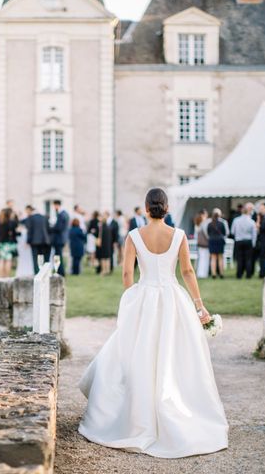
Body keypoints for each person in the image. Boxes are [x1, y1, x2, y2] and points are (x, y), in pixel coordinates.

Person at [79, 187, 228, 458]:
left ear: (146, 209)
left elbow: (127, 273)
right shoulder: (179, 235)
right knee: (174, 356)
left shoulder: (134, 236)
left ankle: (137, 413)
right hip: (173, 299)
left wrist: (132, 297)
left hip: (144, 298)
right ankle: (177, 407)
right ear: (167, 209)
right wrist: (199, 305)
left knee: (140, 354)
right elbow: (187, 271)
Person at [230, 205, 257, 279]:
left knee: (240, 258)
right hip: (248, 241)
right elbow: (254, 234)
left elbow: (232, 231)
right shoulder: (251, 221)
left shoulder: (236, 220)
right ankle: (248, 274)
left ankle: (239, 274)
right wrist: (253, 243)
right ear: (248, 212)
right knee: (248, 259)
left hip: (239, 241)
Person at [23, 205, 50, 275]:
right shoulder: (44, 217)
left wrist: (27, 241)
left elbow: (30, 231)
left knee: (36, 258)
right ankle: (44, 273)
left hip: (34, 241)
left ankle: (37, 273)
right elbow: (48, 229)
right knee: (43, 257)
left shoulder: (31, 218)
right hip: (44, 241)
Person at [0, 207, 18, 277]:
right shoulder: (10, 222)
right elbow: (15, 228)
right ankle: (6, 276)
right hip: (8, 243)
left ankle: (0, 275)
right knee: (8, 260)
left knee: (1, 260)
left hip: (1, 243)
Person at [50, 200, 69, 276]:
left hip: (59, 239)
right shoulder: (64, 214)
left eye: (54, 206)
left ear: (57, 205)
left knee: (58, 256)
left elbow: (59, 227)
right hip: (61, 238)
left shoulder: (61, 214)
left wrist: (50, 228)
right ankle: (59, 270)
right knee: (58, 255)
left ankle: (59, 271)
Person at [207, 208, 227, 279]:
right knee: (220, 258)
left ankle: (213, 274)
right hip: (220, 241)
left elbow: (208, 233)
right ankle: (221, 273)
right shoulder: (222, 223)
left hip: (212, 240)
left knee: (213, 258)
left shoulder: (210, 224)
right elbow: (224, 233)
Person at [96, 212, 113, 276]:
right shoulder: (109, 227)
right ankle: (107, 270)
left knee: (103, 258)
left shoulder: (101, 228)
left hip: (103, 245)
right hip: (108, 244)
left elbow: (100, 237)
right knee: (107, 258)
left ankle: (103, 270)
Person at [195, 209, 210, 279]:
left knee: (201, 258)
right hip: (205, 244)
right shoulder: (204, 223)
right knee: (205, 259)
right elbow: (206, 234)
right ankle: (203, 274)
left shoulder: (198, 222)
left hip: (199, 244)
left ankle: (200, 273)